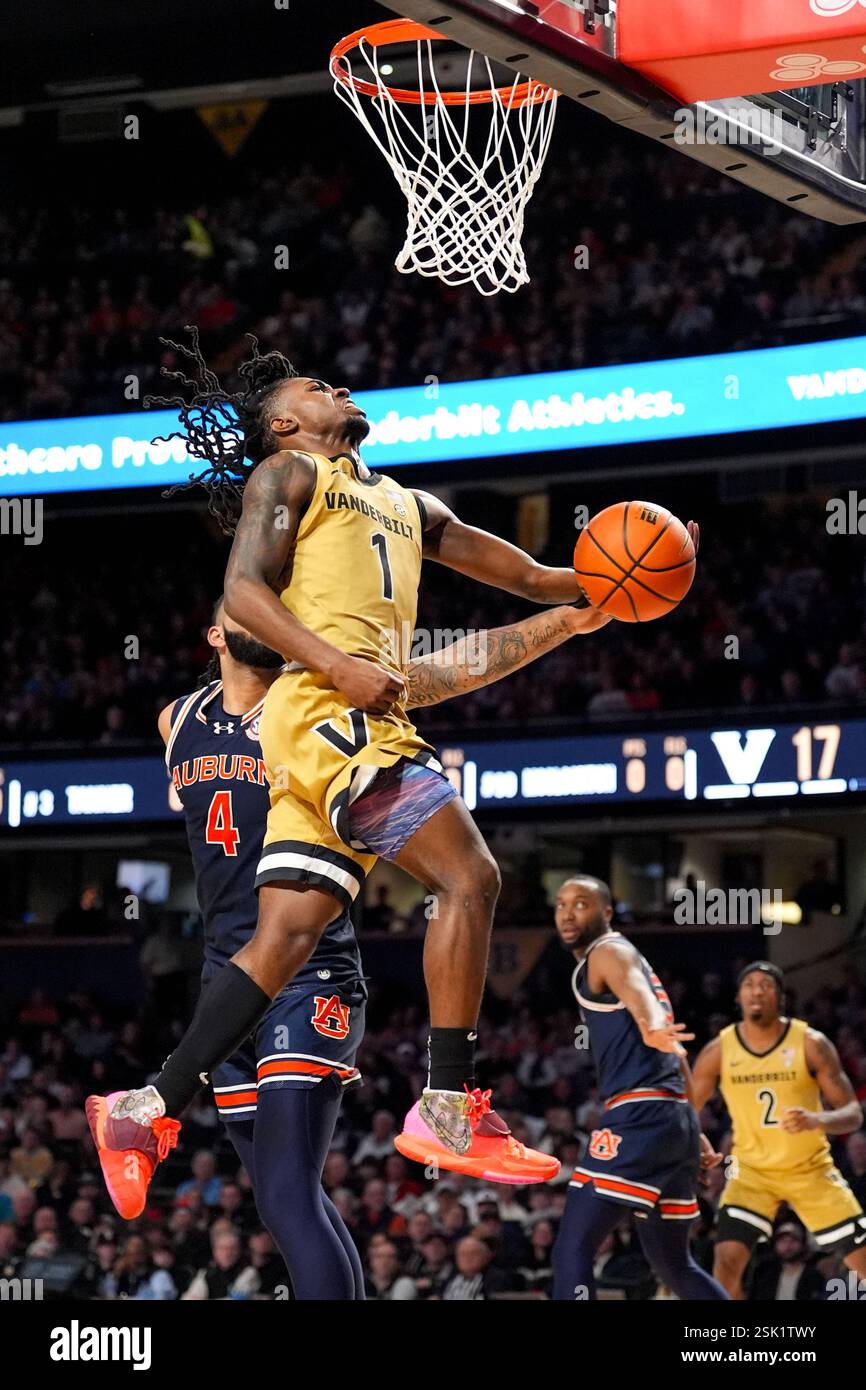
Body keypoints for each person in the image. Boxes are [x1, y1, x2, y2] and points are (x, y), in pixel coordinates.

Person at [90, 332, 644, 1191]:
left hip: (348, 725)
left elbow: (533, 582)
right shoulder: (289, 476)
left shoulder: (410, 507)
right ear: (282, 424)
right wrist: (336, 665)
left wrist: (600, 593)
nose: (336, 385)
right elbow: (243, 591)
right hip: (322, 718)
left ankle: (143, 1109)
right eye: (315, 385)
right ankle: (448, 1107)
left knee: (285, 937)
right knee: (470, 876)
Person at [90, 583, 614, 1295]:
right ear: (215, 635)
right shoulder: (176, 720)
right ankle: (144, 1110)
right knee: (284, 1201)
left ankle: (146, 1106)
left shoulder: (314, 698)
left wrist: (562, 622)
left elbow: (451, 667)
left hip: (309, 972)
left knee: (288, 1193)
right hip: (229, 977)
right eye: (239, 604)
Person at [550, 875, 727, 1301]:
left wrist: (651, 1026)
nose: (568, 913)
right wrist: (694, 1127)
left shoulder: (608, 950)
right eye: (561, 904)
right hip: (672, 1120)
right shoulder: (625, 955)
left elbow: (642, 1004)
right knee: (674, 1266)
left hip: (639, 1117)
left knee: (572, 1248)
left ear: (606, 913)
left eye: (581, 903)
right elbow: (676, 1052)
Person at [690, 960, 866, 1298]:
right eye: (749, 985)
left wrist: (820, 1120)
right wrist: (694, 1142)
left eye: (766, 985)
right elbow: (683, 1112)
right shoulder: (719, 1051)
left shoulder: (811, 1043)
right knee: (724, 1265)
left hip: (810, 1170)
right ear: (738, 998)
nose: (757, 990)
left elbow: (853, 1114)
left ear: (780, 997)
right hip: (751, 1174)